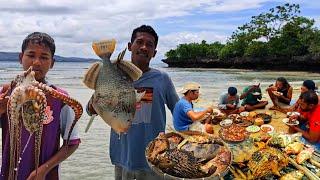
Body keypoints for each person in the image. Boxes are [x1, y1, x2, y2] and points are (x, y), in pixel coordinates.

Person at [86, 25, 179, 180]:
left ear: (154, 53)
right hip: (123, 157)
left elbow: (178, 109)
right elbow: (91, 110)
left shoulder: (162, 79)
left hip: (154, 158)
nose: (144, 47)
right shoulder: (113, 75)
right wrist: (97, 102)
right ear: (130, 46)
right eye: (139, 42)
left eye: (149, 45)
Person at [0, 32, 80, 179]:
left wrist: (43, 170)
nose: (36, 62)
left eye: (44, 57)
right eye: (31, 55)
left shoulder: (60, 98)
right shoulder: (5, 93)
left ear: (52, 63)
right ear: (20, 57)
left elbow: (72, 142)